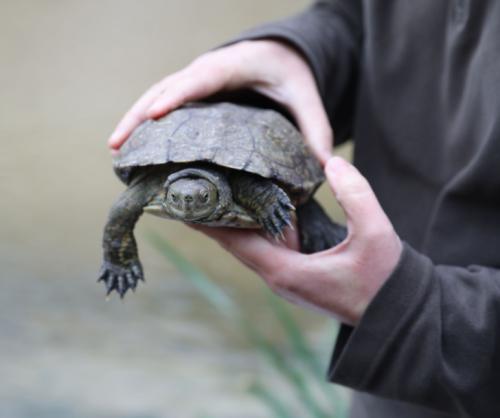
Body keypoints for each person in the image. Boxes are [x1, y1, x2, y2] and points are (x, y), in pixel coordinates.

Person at [107, 1, 500, 417]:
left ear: (216, 193)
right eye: (181, 197)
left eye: (196, 198)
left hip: (445, 359)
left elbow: (267, 187)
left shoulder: (243, 185)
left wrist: (409, 309)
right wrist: (299, 50)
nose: (185, 204)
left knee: (301, 215)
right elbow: (361, 17)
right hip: (385, 393)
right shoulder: (155, 185)